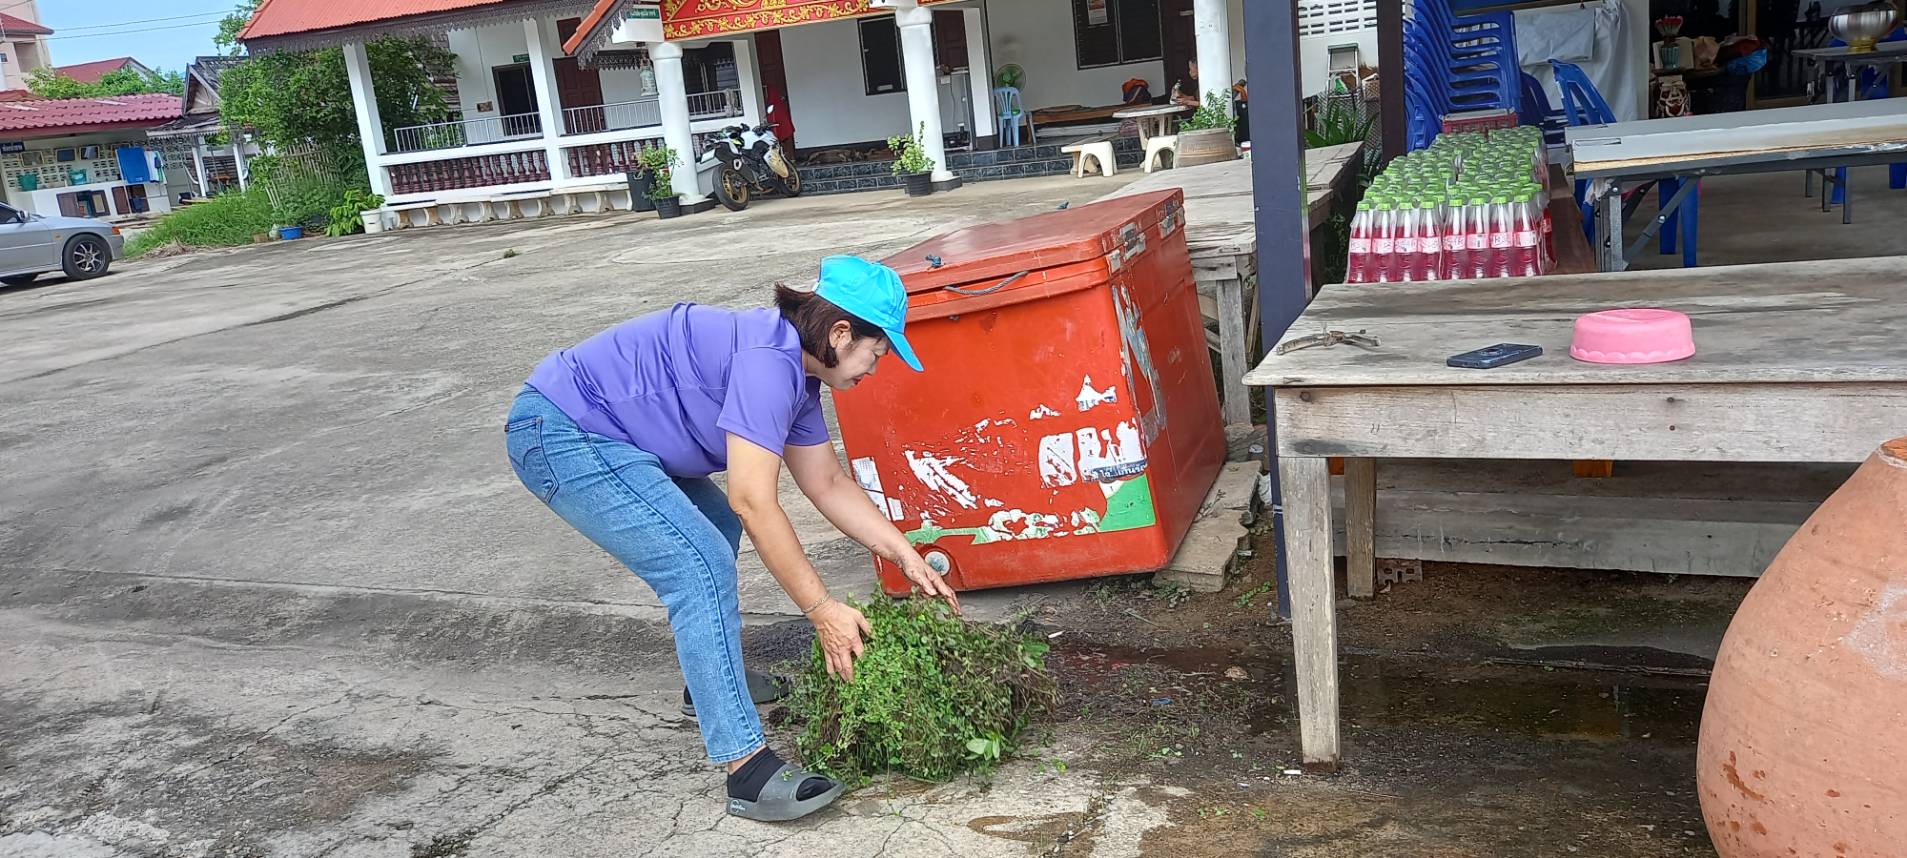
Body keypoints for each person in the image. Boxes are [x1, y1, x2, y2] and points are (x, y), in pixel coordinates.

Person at [504, 255, 962, 822]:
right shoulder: (767, 365)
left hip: (611, 435)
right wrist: (822, 610)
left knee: (714, 527)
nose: (875, 367)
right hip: (563, 431)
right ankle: (746, 770)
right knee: (697, 564)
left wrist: (903, 554)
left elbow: (827, 482)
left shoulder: (797, 376)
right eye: (878, 351)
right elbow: (753, 500)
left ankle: (710, 680)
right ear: (841, 334)